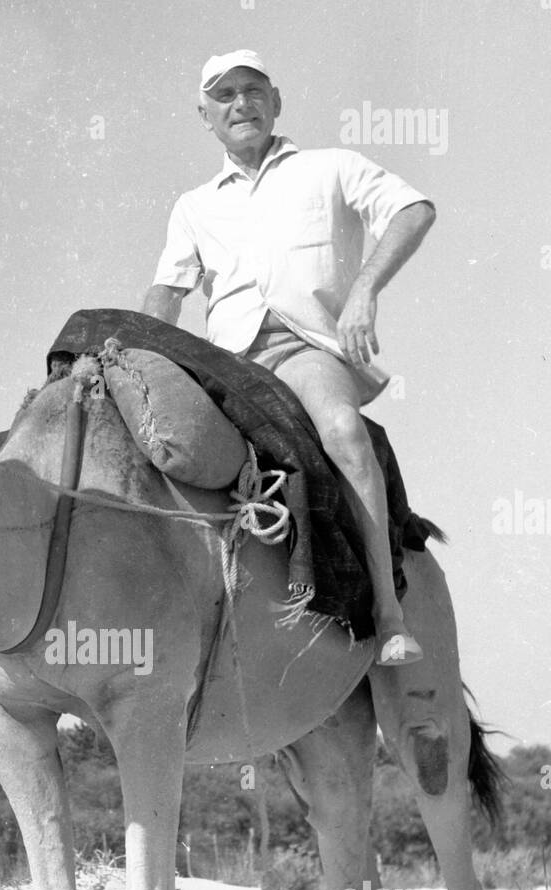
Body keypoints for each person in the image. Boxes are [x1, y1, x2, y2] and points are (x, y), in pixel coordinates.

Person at [142, 49, 436, 665]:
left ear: (275, 101)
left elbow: (414, 209)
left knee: (343, 430)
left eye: (252, 90)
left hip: (305, 350)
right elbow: (167, 291)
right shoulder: (193, 206)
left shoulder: (329, 168)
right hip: (224, 366)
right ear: (205, 115)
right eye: (224, 95)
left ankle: (389, 614)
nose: (240, 103)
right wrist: (143, 353)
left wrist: (364, 291)